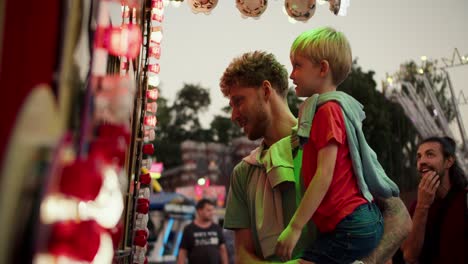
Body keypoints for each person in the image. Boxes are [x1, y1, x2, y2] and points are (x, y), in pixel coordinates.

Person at [221, 50, 411, 264]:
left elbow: (399, 216)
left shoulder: (329, 138)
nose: (234, 115)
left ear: (266, 90)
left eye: (238, 101)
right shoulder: (243, 173)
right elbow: (244, 256)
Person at [274, 26, 401, 263]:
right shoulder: (327, 109)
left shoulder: (328, 111)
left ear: (322, 68)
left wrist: (295, 227)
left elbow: (324, 174)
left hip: (352, 224)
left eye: (298, 66)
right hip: (353, 223)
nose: (291, 75)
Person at [401, 136, 467, 264]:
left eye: (430, 155)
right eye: (419, 156)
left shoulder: (464, 200)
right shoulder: (416, 206)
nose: (422, 161)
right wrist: (422, 206)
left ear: (448, 161)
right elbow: (409, 256)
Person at [177, 199, 229, 264]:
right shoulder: (189, 229)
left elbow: (222, 249)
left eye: (212, 210)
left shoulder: (217, 228)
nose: (212, 212)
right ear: (199, 211)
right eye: (208, 210)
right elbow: (183, 251)